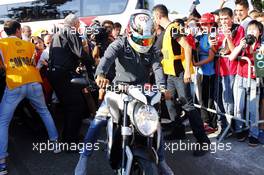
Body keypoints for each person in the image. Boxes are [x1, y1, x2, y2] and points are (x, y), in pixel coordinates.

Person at [75, 9, 174, 175]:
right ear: (130, 31)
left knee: (154, 124)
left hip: (143, 92)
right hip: (118, 89)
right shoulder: (119, 43)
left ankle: (162, 160)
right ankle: (83, 158)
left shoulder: (152, 50)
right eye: (140, 39)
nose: (144, 43)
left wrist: (162, 87)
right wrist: (100, 75)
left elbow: (157, 67)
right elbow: (106, 59)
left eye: (147, 39)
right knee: (98, 121)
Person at [0, 20, 60, 175]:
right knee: (44, 112)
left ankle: (1, 163)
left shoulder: (2, 44)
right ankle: (55, 144)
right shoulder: (29, 45)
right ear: (19, 30)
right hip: (33, 82)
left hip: (15, 84)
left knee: (3, 121)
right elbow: (33, 62)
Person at [152, 4, 210, 156]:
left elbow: (188, 47)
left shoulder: (173, 28)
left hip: (180, 73)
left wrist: (187, 72)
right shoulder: (166, 31)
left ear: (158, 16)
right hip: (171, 74)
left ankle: (204, 141)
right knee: (169, 101)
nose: (153, 20)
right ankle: (178, 131)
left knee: (188, 106)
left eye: (153, 17)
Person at [47, 14, 93, 144]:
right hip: (63, 73)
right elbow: (79, 52)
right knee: (76, 105)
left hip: (54, 72)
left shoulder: (57, 33)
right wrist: (91, 63)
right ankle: (70, 140)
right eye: (79, 24)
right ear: (76, 23)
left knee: (69, 105)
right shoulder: (71, 31)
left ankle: (68, 136)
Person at [229, 20, 263, 146]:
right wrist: (240, 46)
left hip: (254, 80)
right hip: (240, 78)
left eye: (254, 30)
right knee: (239, 107)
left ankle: (253, 134)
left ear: (260, 33)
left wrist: (255, 48)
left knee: (253, 110)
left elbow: (260, 70)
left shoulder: (261, 46)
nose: (251, 32)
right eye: (249, 30)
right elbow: (231, 57)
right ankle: (240, 130)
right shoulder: (243, 44)